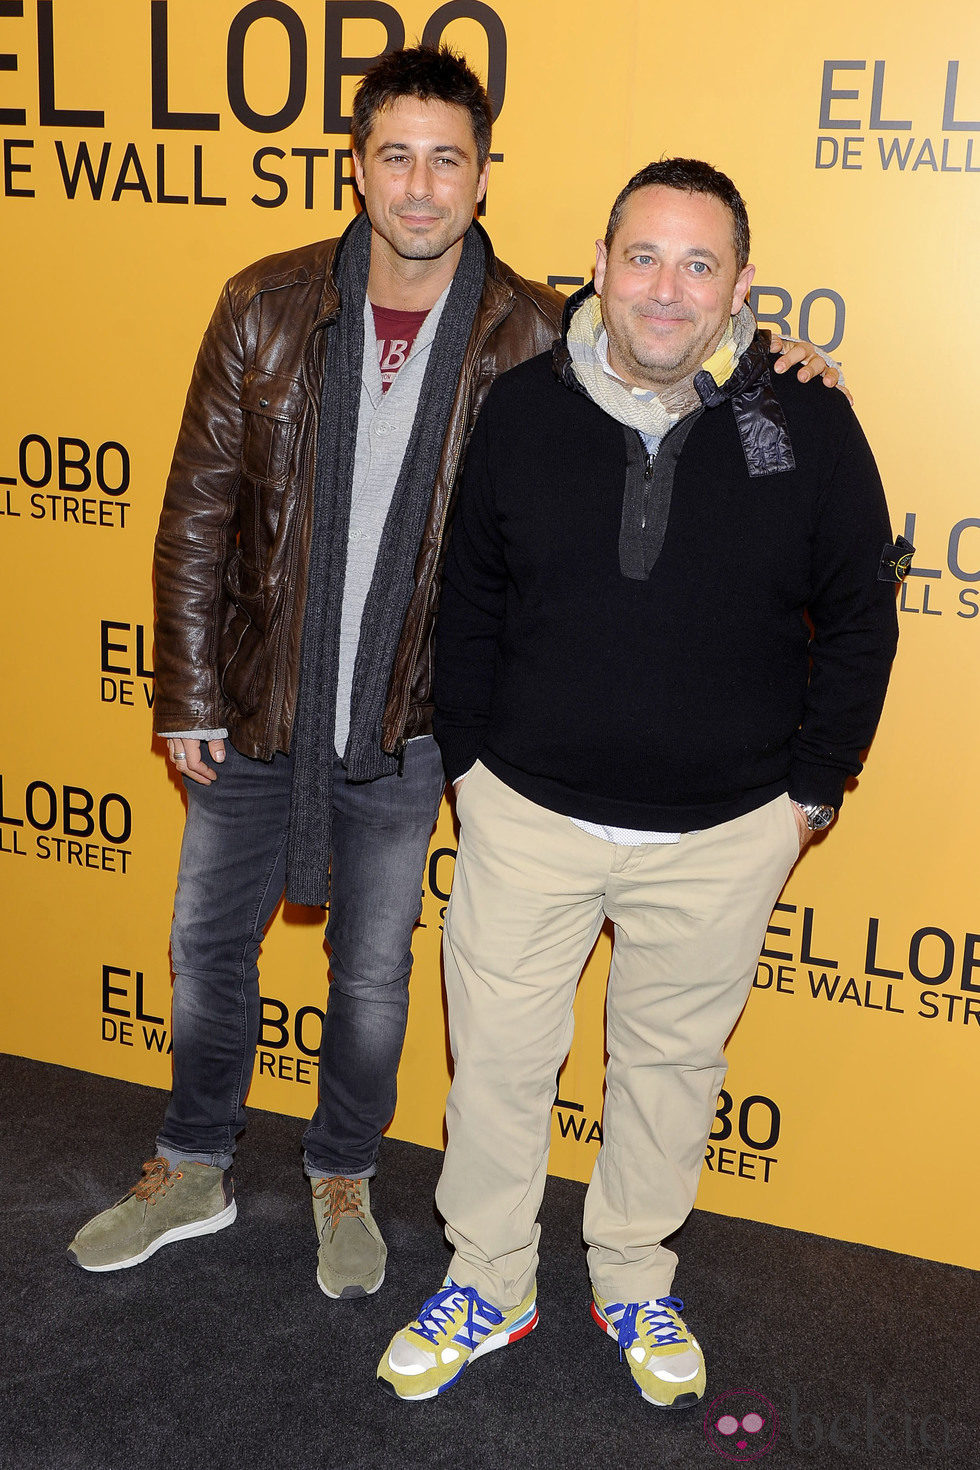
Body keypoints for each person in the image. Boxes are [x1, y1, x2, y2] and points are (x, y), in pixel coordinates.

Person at [67, 45, 838, 1295]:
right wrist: (189, 690)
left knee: (373, 974)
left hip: (414, 714)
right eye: (394, 157)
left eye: (448, 160)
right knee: (208, 948)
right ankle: (192, 1166)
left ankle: (340, 1175)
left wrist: (776, 362)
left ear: (485, 177)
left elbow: (671, 349)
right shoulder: (263, 302)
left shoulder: (536, 332)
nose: (420, 187)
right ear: (355, 167)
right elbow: (198, 507)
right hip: (258, 696)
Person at [378, 157, 906, 1403]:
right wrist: (470, 765)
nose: (664, 291)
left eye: (696, 263)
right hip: (527, 813)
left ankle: (632, 1279)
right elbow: (469, 599)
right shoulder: (518, 408)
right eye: (642, 258)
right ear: (600, 266)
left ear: (739, 286)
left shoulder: (805, 418)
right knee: (499, 1064)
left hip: (725, 830)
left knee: (668, 1073)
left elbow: (859, 614)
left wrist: (809, 795)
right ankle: (490, 1282)